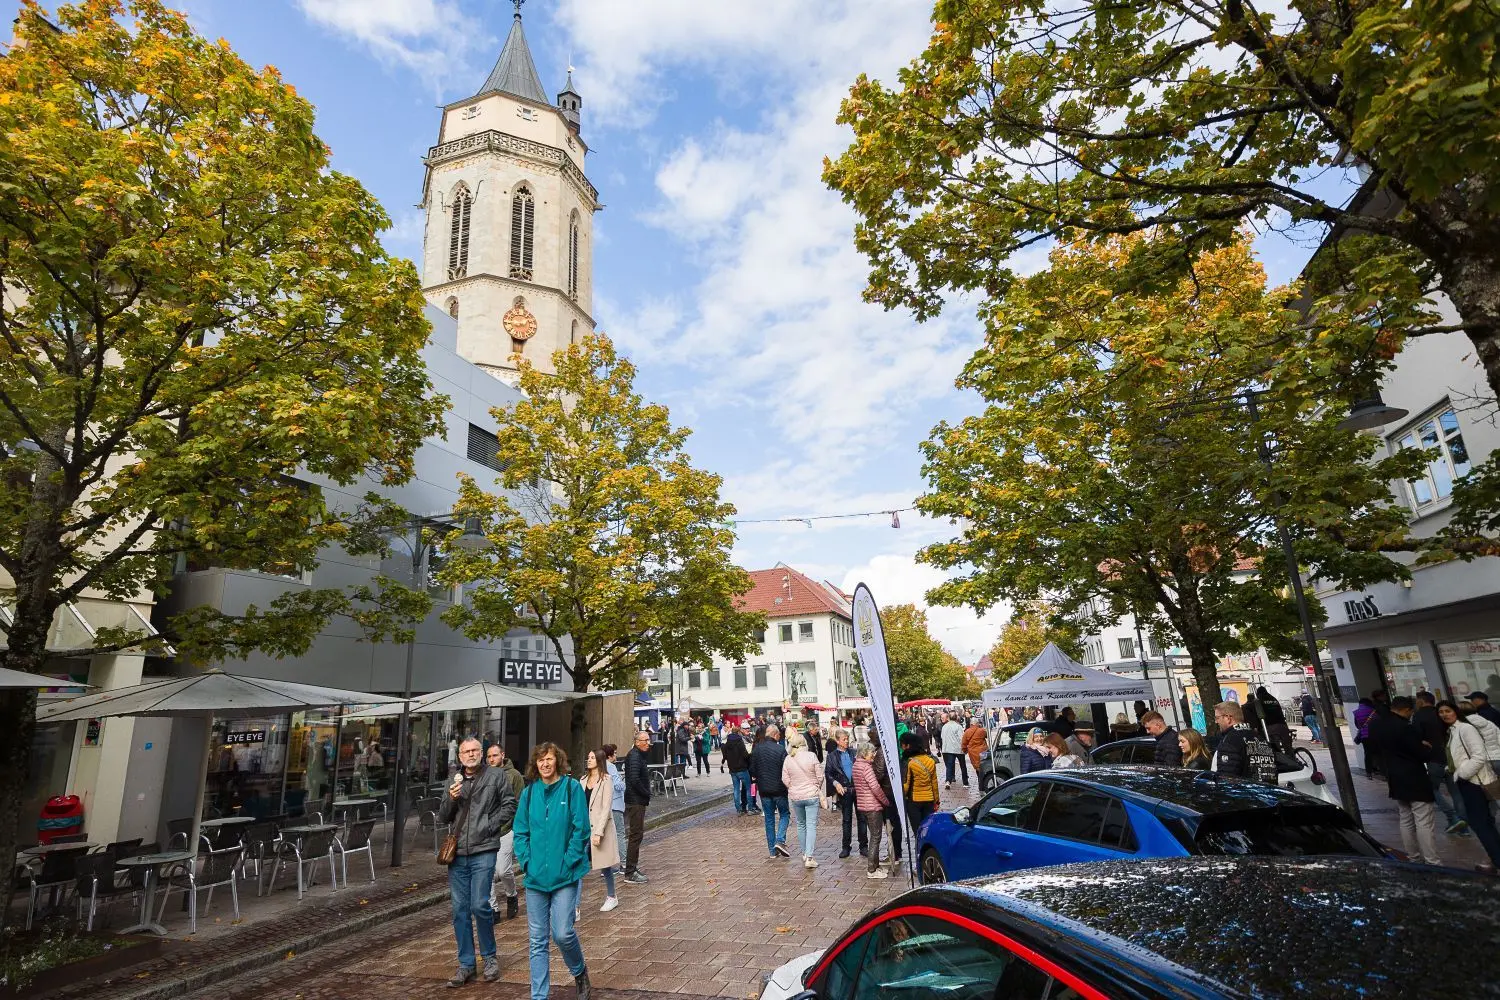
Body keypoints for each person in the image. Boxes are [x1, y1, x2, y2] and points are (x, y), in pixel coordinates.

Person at [513, 743, 592, 1000]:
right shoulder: (529, 793)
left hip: (565, 876)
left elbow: (581, 830)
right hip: (535, 878)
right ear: (535, 764)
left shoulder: (571, 789)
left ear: (557, 761)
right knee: (537, 941)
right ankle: (539, 996)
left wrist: (569, 861)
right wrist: (526, 861)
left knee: (562, 932)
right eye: (540, 760)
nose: (545, 764)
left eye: (549, 759)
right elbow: (521, 831)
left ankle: (579, 971)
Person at [439, 736, 517, 988]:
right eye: (466, 751)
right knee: (459, 910)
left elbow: (509, 805)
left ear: (481, 753)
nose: (470, 754)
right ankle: (466, 964)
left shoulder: (496, 776)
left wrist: (489, 826)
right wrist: (451, 799)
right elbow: (443, 817)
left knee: (479, 905)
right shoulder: (453, 780)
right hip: (458, 853)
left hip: (484, 849)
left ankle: (490, 958)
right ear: (460, 757)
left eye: (474, 750)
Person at [1371, 696, 1443, 866]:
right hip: (1414, 777)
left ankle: (1413, 858)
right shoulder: (1405, 727)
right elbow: (1419, 753)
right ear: (1406, 710)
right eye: (1411, 711)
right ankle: (1433, 862)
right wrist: (1427, 748)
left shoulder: (1380, 725)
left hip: (1395, 777)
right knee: (1424, 821)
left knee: (1406, 819)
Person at [1438, 700, 1500, 875]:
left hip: (1475, 781)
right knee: (1484, 822)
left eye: (1448, 711)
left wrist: (1461, 774)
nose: (1444, 714)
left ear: (1456, 711)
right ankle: (1495, 860)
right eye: (1441, 712)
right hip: (1468, 781)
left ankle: (1497, 861)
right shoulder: (1452, 730)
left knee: (1480, 823)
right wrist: (1450, 769)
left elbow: (1479, 755)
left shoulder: (1466, 728)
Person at [1413, 692, 1469, 834]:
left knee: (1432, 789)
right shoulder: (1443, 715)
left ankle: (1453, 817)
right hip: (1451, 758)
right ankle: (1464, 827)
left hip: (1434, 759)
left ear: (1421, 701)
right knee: (1456, 793)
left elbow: (1416, 737)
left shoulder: (1419, 716)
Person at [485, 743, 526, 921]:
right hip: (486, 831)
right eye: (489, 756)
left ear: (503, 755)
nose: (491, 759)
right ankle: (493, 910)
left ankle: (511, 894)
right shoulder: (484, 775)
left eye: (494, 755)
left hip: (507, 829)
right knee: (486, 872)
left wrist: (515, 825)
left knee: (502, 870)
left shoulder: (514, 775)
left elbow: (519, 802)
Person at [582, 749, 620, 912]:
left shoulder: (606, 780)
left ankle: (612, 896)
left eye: (592, 757)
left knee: (605, 865)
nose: (588, 760)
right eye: (588, 757)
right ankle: (575, 907)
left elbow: (606, 808)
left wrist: (599, 832)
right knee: (578, 866)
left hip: (599, 827)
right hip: (583, 829)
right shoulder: (582, 780)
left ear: (599, 760)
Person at [782, 732, 825, 869]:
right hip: (811, 794)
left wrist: (793, 787)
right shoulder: (811, 756)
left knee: (801, 824)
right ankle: (810, 856)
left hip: (796, 796)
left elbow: (785, 778)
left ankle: (804, 853)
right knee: (811, 824)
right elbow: (820, 775)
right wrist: (816, 786)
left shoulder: (788, 758)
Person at [1211, 702, 1277, 785]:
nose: (1216, 722)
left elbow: (1226, 779)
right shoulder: (1261, 739)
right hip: (1268, 793)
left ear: (1228, 718)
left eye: (1217, 718)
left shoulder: (1230, 741)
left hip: (1244, 795)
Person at [825, 728, 866, 858]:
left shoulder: (854, 752)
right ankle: (846, 847)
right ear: (837, 741)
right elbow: (828, 773)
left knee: (862, 818)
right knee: (847, 819)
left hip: (858, 789)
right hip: (845, 790)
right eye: (844, 739)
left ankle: (863, 846)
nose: (847, 741)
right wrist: (836, 784)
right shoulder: (832, 756)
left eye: (847, 739)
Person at [751, 724, 791, 858]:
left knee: (769, 819)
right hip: (779, 789)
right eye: (779, 735)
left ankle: (772, 852)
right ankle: (780, 840)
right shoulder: (780, 750)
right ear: (775, 735)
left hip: (764, 790)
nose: (780, 737)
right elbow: (787, 770)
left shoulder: (757, 749)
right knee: (784, 814)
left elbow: (752, 770)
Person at [852, 744, 890, 880]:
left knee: (874, 836)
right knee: (876, 837)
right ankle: (872, 869)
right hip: (872, 806)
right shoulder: (866, 767)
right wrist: (885, 801)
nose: (873, 755)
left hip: (863, 805)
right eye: (871, 753)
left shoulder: (856, 765)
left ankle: (876, 865)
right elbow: (875, 787)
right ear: (864, 753)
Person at [621, 731, 651, 884]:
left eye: (648, 740)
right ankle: (630, 871)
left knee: (637, 835)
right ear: (637, 742)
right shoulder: (634, 756)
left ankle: (632, 868)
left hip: (638, 800)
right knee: (635, 835)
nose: (648, 743)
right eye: (645, 740)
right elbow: (634, 779)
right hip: (636, 800)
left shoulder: (638, 755)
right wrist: (646, 793)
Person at [869, 733, 902, 870]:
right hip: (893, 790)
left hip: (887, 792)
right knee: (895, 822)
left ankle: (895, 855)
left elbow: (879, 773)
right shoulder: (890, 748)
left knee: (891, 823)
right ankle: (896, 853)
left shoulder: (881, 752)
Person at [901, 732, 940, 832]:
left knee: (917, 830)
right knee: (927, 829)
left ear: (908, 746)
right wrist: (936, 800)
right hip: (929, 799)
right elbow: (934, 783)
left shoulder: (909, 762)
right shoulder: (930, 761)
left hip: (914, 800)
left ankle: (918, 847)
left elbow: (906, 784)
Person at [601, 744, 626, 873]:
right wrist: (624, 784)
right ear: (609, 755)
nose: (616, 755)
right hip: (615, 804)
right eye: (614, 753)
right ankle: (624, 864)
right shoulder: (611, 767)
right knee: (619, 833)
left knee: (605, 835)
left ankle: (605, 866)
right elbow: (617, 785)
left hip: (603, 806)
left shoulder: (600, 767)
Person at [723, 721, 753, 814]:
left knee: (736, 789)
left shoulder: (727, 743)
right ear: (739, 731)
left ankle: (738, 809)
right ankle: (750, 808)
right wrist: (750, 754)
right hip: (742, 769)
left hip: (732, 770)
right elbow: (745, 755)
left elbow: (725, 756)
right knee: (748, 788)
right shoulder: (740, 741)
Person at [1257, 687, 1293, 753]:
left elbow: (1259, 715)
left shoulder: (1259, 700)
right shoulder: (1273, 699)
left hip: (1271, 726)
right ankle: (1292, 760)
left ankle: (1280, 760)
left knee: (1276, 747)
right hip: (1282, 724)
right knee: (1288, 747)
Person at [939, 712, 967, 789]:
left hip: (948, 749)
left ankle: (948, 781)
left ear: (949, 718)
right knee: (963, 765)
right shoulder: (958, 726)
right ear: (956, 718)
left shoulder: (944, 726)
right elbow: (962, 738)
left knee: (949, 766)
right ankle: (965, 782)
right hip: (958, 749)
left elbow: (942, 737)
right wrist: (964, 748)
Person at [1353, 696, 1379, 777]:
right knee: (1377, 752)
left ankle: (1369, 772)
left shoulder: (1356, 712)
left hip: (1364, 736)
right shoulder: (1372, 711)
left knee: (1367, 753)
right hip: (1374, 734)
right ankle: (1377, 768)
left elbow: (1357, 725)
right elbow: (1378, 722)